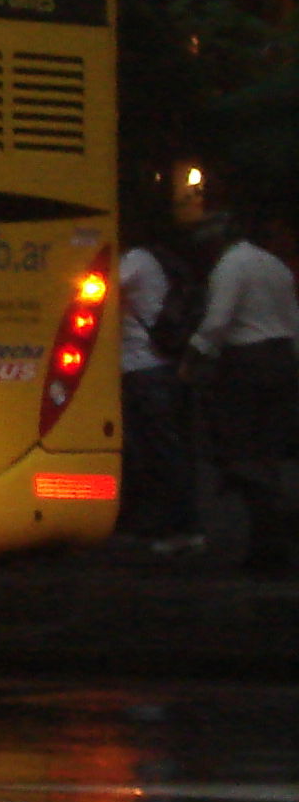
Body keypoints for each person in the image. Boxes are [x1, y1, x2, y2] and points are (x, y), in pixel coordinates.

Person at [186, 213, 298, 574]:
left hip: (246, 364)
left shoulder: (231, 266)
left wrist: (193, 355)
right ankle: (272, 542)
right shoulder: (275, 266)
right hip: (281, 359)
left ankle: (267, 538)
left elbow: (218, 320)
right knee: (268, 455)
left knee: (242, 454)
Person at [116, 229, 203, 555]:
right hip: (151, 368)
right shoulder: (146, 260)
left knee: (162, 453)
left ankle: (183, 527)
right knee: (155, 452)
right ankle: (161, 524)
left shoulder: (137, 261)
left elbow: (96, 289)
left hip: (145, 367)